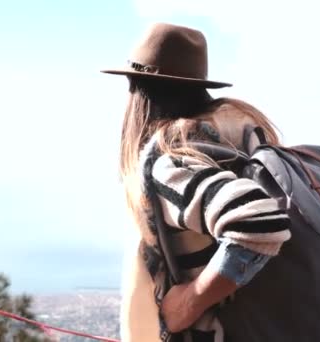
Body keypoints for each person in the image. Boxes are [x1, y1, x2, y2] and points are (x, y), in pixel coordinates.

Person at [102, 23, 292, 342]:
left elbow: (261, 223)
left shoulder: (172, 163)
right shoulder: (240, 144)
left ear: (138, 95)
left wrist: (187, 303)